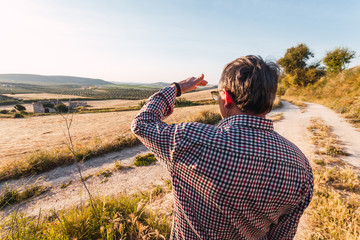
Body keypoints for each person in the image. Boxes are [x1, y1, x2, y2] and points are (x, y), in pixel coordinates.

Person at [131, 55, 313, 240]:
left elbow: (142, 123)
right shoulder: (300, 166)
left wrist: (176, 88)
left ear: (226, 97)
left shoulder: (191, 139)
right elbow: (281, 236)